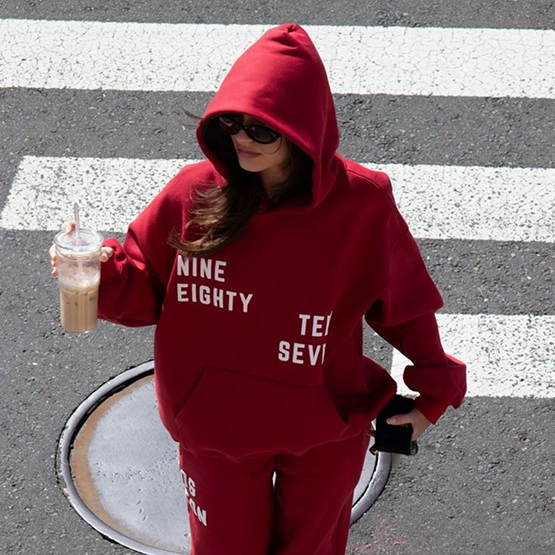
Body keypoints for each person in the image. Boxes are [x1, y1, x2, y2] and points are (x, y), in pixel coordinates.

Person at [51, 23, 466, 555]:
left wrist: (435, 393)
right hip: (216, 429)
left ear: (303, 132)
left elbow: (404, 305)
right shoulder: (193, 194)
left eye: (261, 130)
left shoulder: (362, 204)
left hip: (324, 429)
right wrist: (95, 271)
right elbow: (146, 290)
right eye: (231, 123)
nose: (242, 139)